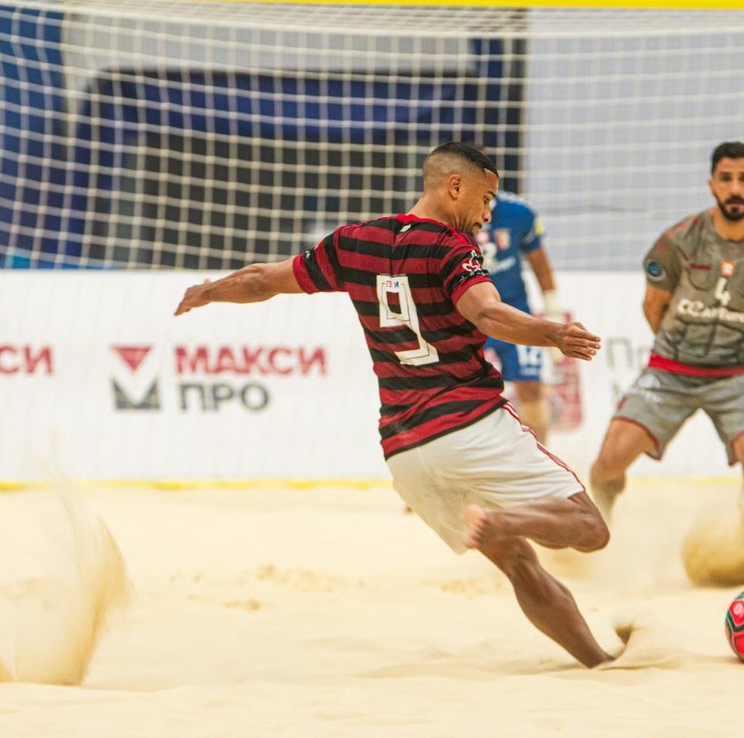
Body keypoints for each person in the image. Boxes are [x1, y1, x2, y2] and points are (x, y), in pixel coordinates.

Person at [175, 142, 617, 667]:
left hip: (404, 453)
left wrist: (209, 291)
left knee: (520, 566)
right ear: (455, 186)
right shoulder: (452, 248)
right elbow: (489, 315)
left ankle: (598, 661)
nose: (487, 213)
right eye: (485, 198)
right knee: (590, 529)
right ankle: (508, 520)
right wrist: (555, 333)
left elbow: (259, 280)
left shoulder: (353, 241)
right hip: (469, 425)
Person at [589, 141, 744, 534]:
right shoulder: (678, 241)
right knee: (607, 465)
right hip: (671, 371)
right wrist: (678, 353)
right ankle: (599, 530)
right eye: (726, 179)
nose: (735, 188)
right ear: (711, 185)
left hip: (738, 374)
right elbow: (652, 306)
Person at [477, 189, 562, 442]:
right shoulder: (448, 214)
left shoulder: (518, 213)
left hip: (516, 315)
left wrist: (553, 310)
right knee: (467, 393)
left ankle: (540, 463)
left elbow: (539, 261)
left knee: (531, 387)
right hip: (469, 317)